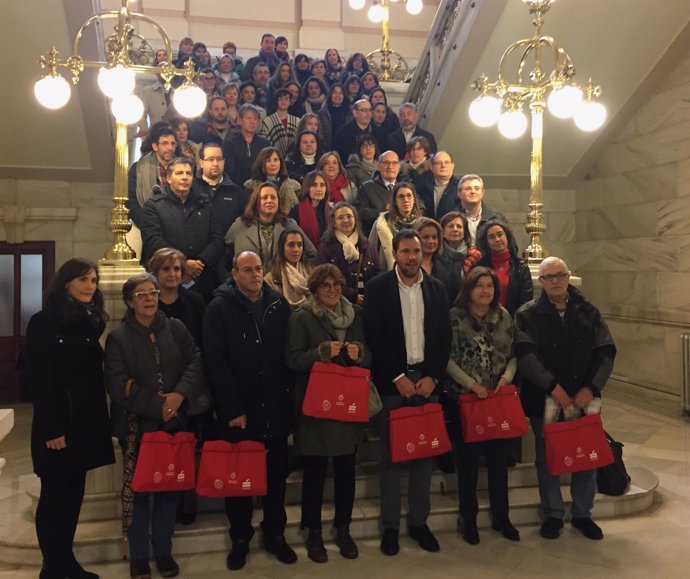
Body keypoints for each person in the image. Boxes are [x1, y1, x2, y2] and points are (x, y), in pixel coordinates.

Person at [105, 272, 207, 579]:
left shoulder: (175, 328)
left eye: (152, 293)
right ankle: (138, 555)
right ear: (129, 302)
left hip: (174, 423)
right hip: (139, 427)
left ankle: (163, 550)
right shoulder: (118, 338)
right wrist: (158, 405)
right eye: (141, 294)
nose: (150, 299)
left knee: (168, 490)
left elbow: (195, 362)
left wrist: (178, 396)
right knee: (140, 492)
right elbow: (118, 384)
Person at [203, 251, 298, 571]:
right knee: (240, 478)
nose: (255, 275)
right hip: (240, 408)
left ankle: (275, 534)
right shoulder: (219, 308)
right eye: (248, 270)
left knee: (275, 477)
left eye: (259, 269)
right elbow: (215, 362)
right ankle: (240, 538)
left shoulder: (277, 304)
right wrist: (231, 407)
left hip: (274, 406)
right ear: (234, 273)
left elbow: (287, 357)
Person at [514, 257, 617, 541]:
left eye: (559, 275)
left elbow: (606, 351)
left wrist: (591, 388)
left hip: (584, 397)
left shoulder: (588, 311)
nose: (555, 281)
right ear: (541, 282)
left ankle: (583, 513)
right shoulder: (527, 313)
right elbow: (525, 355)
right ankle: (553, 513)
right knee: (548, 458)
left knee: (587, 455)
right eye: (548, 277)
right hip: (546, 398)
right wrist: (553, 387)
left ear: (569, 276)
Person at [363, 229, 451, 557]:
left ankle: (419, 523)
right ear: (395, 253)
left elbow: (444, 338)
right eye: (405, 251)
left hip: (427, 382)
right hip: (392, 383)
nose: (412, 256)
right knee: (390, 459)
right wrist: (397, 376)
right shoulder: (377, 288)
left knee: (424, 457)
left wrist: (432, 377)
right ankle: (390, 527)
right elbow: (374, 336)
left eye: (416, 251)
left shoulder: (438, 289)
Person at [26, 258, 115, 579]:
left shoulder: (89, 322)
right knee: (54, 497)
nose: (91, 286)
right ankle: (53, 566)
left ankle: (65, 562)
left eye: (93, 280)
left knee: (73, 494)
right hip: (58, 425)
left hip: (85, 422)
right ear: (66, 282)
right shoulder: (44, 321)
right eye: (83, 280)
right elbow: (40, 378)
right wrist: (52, 427)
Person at [285, 264, 371, 562]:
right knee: (315, 473)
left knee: (346, 471)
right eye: (326, 286)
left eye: (336, 285)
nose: (333, 290)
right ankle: (314, 532)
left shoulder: (355, 315)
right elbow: (292, 360)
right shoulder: (302, 317)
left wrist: (359, 351)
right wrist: (320, 353)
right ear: (315, 290)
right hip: (316, 408)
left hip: (347, 404)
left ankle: (343, 528)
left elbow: (368, 355)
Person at [446, 267, 520, 545]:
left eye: (490, 285)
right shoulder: (455, 317)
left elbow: (514, 354)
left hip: (498, 398)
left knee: (499, 463)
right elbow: (447, 358)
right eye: (480, 285)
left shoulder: (504, 316)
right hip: (467, 400)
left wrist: (506, 378)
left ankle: (502, 517)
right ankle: (470, 519)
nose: (485, 291)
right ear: (469, 288)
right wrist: (471, 385)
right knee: (468, 464)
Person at [141, 157, 225, 302]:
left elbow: (217, 239)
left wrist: (200, 262)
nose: (185, 177)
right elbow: (153, 241)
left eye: (188, 173)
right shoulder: (154, 205)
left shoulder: (204, 204)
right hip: (167, 279)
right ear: (168, 178)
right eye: (179, 173)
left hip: (202, 277)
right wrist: (183, 264)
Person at [225, 182, 316, 267]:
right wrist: (226, 276)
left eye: (273, 197)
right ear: (256, 202)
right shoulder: (240, 225)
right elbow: (222, 253)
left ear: (278, 201)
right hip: (247, 282)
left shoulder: (289, 225)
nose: (269, 201)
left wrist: (299, 274)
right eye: (264, 198)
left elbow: (312, 254)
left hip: (281, 282)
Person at [315, 202, 380, 305]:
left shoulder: (367, 245)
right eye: (341, 217)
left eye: (349, 216)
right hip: (339, 303)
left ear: (355, 220)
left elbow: (377, 273)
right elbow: (322, 278)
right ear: (334, 223)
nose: (346, 220)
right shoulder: (325, 247)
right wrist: (352, 296)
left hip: (367, 302)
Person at [148, 248, 206, 348]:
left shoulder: (196, 301)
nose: (172, 274)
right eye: (166, 269)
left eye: (176, 269)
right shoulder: (147, 302)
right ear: (155, 273)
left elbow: (204, 340)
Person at [475, 219, 533, 315]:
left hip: (513, 321)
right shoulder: (480, 266)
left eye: (500, 234)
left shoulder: (521, 267)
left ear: (507, 237)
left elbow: (526, 301)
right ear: (487, 242)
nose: (497, 239)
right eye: (491, 237)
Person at [127, 126, 177, 228]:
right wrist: (147, 223)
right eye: (165, 143)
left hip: (177, 225)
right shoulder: (138, 168)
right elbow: (131, 201)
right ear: (155, 146)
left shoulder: (183, 167)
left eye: (173, 143)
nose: (170, 148)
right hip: (148, 224)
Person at [369, 183, 423, 270]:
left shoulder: (422, 224)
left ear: (414, 199)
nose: (406, 200)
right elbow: (371, 252)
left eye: (409, 196)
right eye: (401, 196)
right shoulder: (382, 224)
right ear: (395, 201)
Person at [265, 228, 315, 308]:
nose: (296, 249)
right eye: (291, 245)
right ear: (282, 248)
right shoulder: (271, 278)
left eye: (299, 245)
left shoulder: (312, 271)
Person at [413, 216, 460, 303]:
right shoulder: (409, 265)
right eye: (425, 237)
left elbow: (455, 295)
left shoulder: (448, 264)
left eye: (434, 237)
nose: (431, 241)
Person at [354, 150, 401, 234]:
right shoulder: (366, 187)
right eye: (386, 163)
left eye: (394, 163)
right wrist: (384, 213)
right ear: (378, 166)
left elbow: (420, 207)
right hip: (376, 236)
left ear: (399, 167)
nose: (390, 166)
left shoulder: (405, 187)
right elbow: (359, 212)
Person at [223, 104, 271, 186]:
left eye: (256, 119)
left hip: (260, 187)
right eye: (248, 118)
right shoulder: (231, 143)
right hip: (237, 188)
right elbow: (228, 172)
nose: (252, 122)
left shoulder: (265, 143)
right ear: (240, 120)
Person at [244, 147, 301, 214]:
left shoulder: (294, 187)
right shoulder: (251, 187)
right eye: (268, 161)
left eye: (276, 160)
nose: (273, 164)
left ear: (281, 162)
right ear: (261, 163)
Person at [436, 211, 481, 297]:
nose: (455, 229)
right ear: (442, 232)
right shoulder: (436, 256)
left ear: (464, 232)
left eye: (459, 226)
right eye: (450, 226)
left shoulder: (474, 256)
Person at [457, 174, 506, 243]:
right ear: (459, 193)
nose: (473, 192)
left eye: (477, 188)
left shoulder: (497, 218)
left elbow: (510, 247)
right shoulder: (450, 219)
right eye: (468, 189)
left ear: (482, 193)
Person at [289, 170, 330, 248]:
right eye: (314, 185)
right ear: (307, 187)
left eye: (322, 185)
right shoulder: (295, 211)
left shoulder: (331, 211)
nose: (318, 189)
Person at [416, 151, 459, 220]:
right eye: (439, 163)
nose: (443, 166)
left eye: (447, 162)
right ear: (431, 167)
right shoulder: (422, 187)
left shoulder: (460, 187)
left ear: (452, 166)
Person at [260, 88, 300, 157]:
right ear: (276, 101)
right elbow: (264, 142)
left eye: (286, 99)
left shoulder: (297, 121)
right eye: (280, 99)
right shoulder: (268, 121)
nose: (283, 101)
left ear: (290, 102)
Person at [334, 99, 372, 163]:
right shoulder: (343, 132)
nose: (368, 113)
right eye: (364, 110)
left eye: (370, 110)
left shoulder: (374, 132)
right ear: (355, 113)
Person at [318, 83, 351, 151]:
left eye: (340, 93)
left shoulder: (350, 112)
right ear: (330, 95)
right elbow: (320, 134)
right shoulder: (322, 113)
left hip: (347, 149)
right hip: (327, 149)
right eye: (334, 92)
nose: (337, 95)